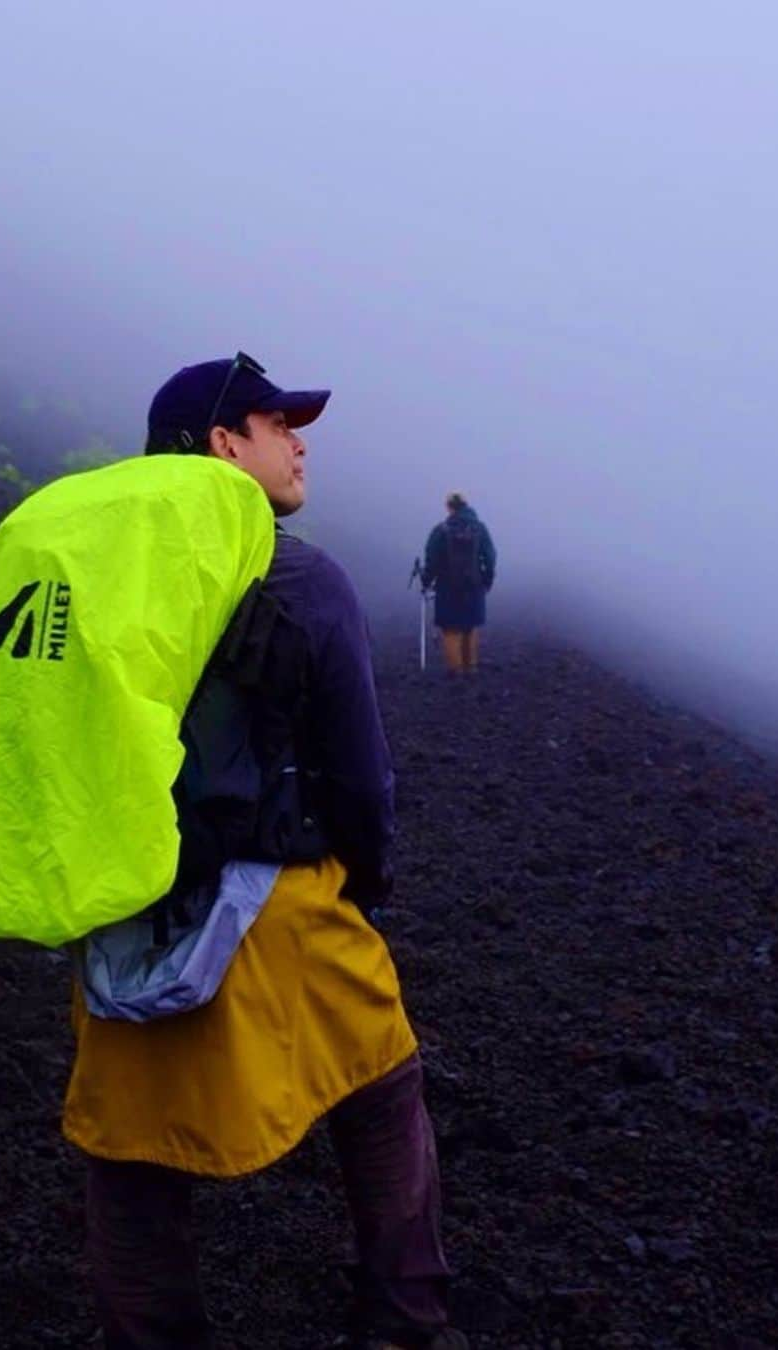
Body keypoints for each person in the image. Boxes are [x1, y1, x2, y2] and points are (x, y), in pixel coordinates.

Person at [62, 353, 467, 1350]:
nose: (299, 440)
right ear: (220, 445)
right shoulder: (299, 576)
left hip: (123, 897)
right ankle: (403, 1320)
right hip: (278, 904)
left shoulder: (91, 570)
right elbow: (360, 772)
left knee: (129, 1148)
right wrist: (365, 884)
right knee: (382, 1087)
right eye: (275, 422)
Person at [420, 493, 496, 676]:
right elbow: (490, 556)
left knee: (451, 629)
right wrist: (487, 580)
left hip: (447, 586)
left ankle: (455, 673)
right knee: (470, 626)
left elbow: (432, 560)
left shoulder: (441, 530)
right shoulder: (480, 529)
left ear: (449, 507)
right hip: (474, 585)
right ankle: (471, 669)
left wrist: (426, 580)